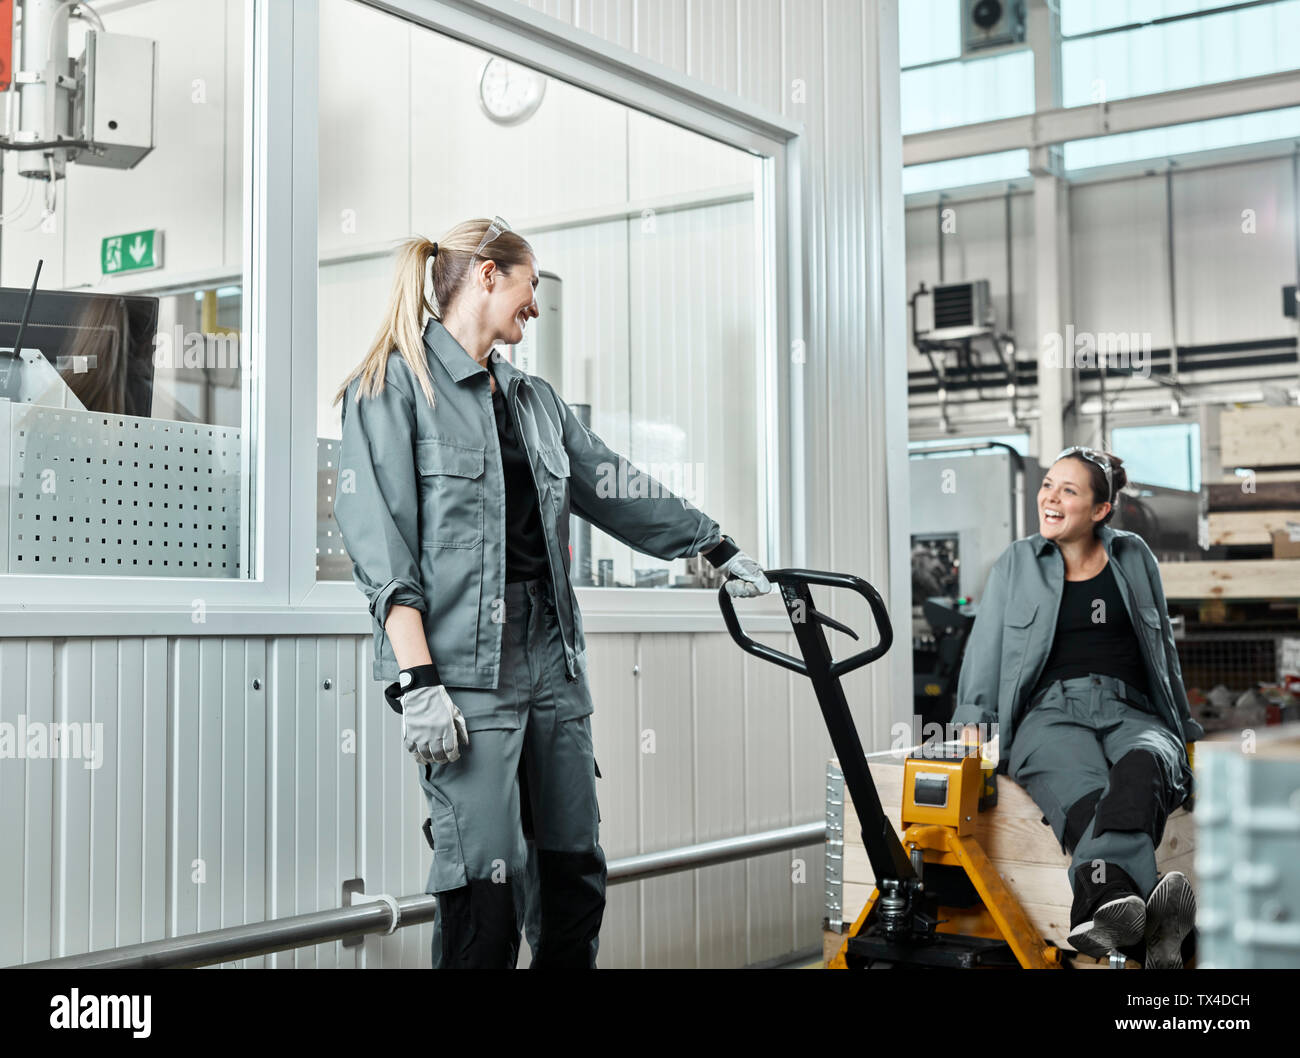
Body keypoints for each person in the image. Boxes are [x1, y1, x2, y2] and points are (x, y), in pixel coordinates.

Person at [330, 217, 772, 968]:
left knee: (573, 872)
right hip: (464, 669)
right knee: (485, 886)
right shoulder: (391, 388)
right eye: (531, 284)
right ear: (489, 275)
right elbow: (384, 551)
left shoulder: (534, 400)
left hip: (553, 658)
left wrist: (712, 542)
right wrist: (417, 681)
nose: (536, 305)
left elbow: (615, 485)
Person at [951, 446, 1204, 968]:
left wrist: (1182, 732)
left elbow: (1164, 653)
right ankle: (1151, 931)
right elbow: (985, 652)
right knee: (1086, 791)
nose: (1050, 497)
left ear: (1100, 510)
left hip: (1132, 709)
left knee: (1144, 766)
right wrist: (973, 730)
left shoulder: (1133, 557)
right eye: (1048, 485)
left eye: (1069, 490)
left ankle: (1104, 906)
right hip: (1050, 713)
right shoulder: (1017, 562)